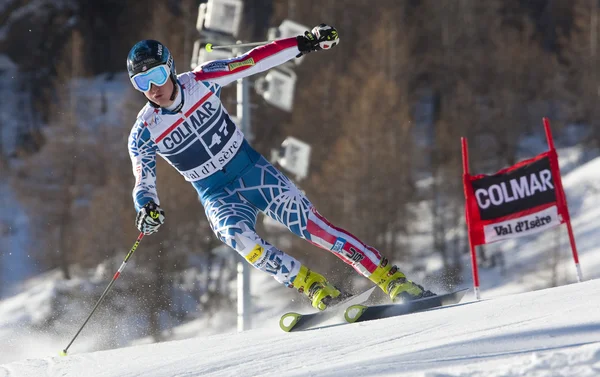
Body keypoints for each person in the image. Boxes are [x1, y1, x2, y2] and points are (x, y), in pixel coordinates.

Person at [127, 24, 434, 311]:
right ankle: (313, 286)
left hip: (251, 171)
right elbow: (143, 179)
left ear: (169, 67)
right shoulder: (144, 130)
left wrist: (305, 43)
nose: (153, 88)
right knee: (236, 236)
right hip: (215, 192)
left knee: (313, 227)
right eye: (142, 82)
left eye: (155, 75)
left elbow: (254, 61)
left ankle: (391, 279)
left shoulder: (202, 81)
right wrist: (146, 207)